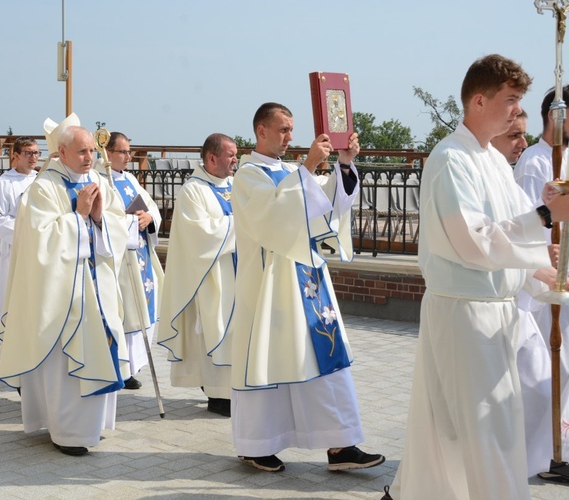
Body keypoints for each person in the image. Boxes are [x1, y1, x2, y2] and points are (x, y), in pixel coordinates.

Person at [387, 54, 569, 500]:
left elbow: (507, 232)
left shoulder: (492, 160)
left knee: (460, 431)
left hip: (494, 314)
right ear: (479, 100)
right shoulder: (451, 159)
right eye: (510, 100)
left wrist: (541, 268)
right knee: (482, 431)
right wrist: (546, 216)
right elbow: (471, 241)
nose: (517, 112)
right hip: (464, 314)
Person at [230, 102, 384, 473]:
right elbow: (271, 217)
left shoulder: (287, 171)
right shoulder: (248, 175)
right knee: (270, 359)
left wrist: (343, 164)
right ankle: (257, 443)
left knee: (325, 358)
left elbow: (325, 209)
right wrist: (309, 167)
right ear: (261, 131)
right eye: (282, 129)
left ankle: (341, 444)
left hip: (308, 282)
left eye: (291, 129)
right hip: (270, 287)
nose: (289, 137)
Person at [0, 120, 133, 456]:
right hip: (63, 295)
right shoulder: (44, 189)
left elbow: (117, 227)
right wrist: (78, 216)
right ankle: (67, 431)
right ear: (62, 152)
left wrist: (100, 218)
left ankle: (92, 426)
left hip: (97, 288)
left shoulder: (98, 180)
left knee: (101, 348)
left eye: (91, 151)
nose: (90, 157)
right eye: (82, 151)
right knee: (65, 363)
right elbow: (39, 241)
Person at [157, 133, 238, 417]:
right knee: (216, 329)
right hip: (211, 276)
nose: (235, 160)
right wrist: (239, 224)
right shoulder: (193, 190)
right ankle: (218, 395)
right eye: (230, 155)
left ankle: (236, 390)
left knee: (237, 332)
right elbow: (200, 234)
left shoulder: (235, 185)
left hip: (239, 273)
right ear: (212, 158)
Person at [512, 87, 569, 476]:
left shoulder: (564, 158)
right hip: (545, 280)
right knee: (549, 366)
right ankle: (546, 451)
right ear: (557, 117)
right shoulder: (535, 162)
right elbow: (535, 223)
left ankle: (557, 445)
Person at [96, 131, 164, 390]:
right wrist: (130, 223)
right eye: (123, 152)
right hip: (119, 259)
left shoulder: (131, 180)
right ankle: (120, 367)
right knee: (123, 312)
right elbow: (103, 218)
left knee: (140, 312)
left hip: (141, 255)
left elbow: (151, 209)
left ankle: (131, 367)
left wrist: (148, 219)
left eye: (129, 152)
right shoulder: (100, 180)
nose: (128, 156)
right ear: (107, 153)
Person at [0, 137, 39, 361]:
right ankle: (0, 342)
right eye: (28, 153)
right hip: (14, 249)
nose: (33, 157)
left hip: (37, 251)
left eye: (36, 152)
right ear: (15, 155)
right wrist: (25, 232)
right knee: (7, 296)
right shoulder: (5, 182)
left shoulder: (41, 180)